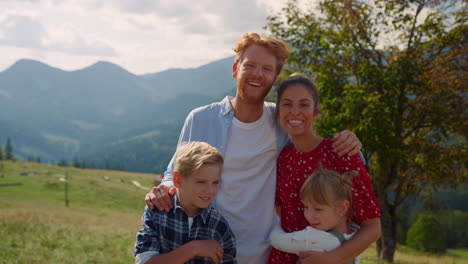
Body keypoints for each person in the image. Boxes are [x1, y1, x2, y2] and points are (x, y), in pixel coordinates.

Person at [145, 33, 363, 264]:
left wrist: (350, 143)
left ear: (276, 78)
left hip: (267, 251)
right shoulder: (201, 118)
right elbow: (174, 172)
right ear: (235, 68)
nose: (258, 74)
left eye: (267, 69)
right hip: (209, 248)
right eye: (250, 65)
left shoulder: (282, 122)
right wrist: (163, 189)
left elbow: (317, 150)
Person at [268, 74, 381, 264]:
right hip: (282, 258)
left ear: (316, 112)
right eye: (287, 104)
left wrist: (333, 258)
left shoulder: (341, 153)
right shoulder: (282, 157)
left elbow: (372, 227)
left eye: (304, 104)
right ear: (278, 111)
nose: (295, 111)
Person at [134, 141, 236, 264]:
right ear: (177, 179)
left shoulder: (219, 226)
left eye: (215, 182)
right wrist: (193, 249)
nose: (210, 191)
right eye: (201, 182)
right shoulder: (157, 213)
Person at [269, 168, 361, 264]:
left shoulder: (312, 238)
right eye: (306, 207)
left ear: (342, 208)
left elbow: (275, 239)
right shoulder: (357, 234)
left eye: (318, 209)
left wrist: (276, 218)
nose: (309, 216)